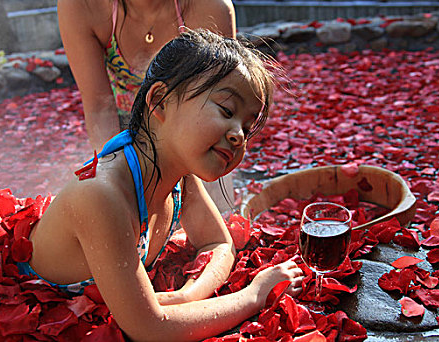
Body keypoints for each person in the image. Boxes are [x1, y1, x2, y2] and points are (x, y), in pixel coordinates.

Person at [18, 29, 303, 341]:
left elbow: (219, 244)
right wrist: (254, 295)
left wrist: (185, 297)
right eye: (226, 111)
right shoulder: (101, 196)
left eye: (248, 128)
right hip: (40, 322)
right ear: (160, 102)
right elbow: (149, 328)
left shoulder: (178, 172)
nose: (238, 135)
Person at [57, 0, 238, 213]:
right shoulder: (80, 1)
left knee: (215, 219)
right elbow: (99, 105)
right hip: (125, 131)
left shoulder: (209, 4)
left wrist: (214, 204)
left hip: (197, 131)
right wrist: (113, 176)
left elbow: (219, 103)